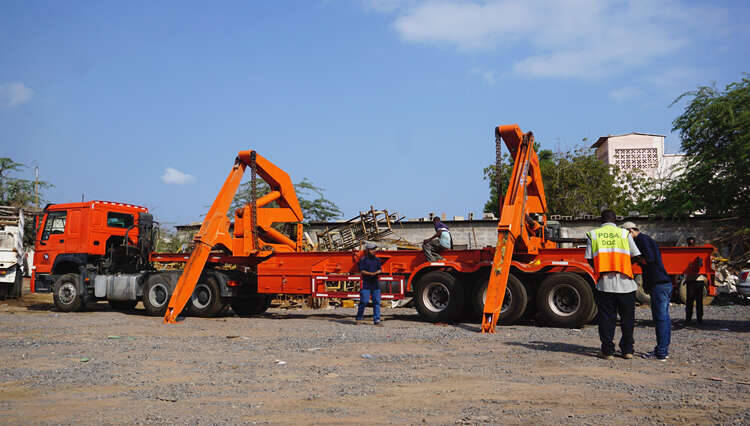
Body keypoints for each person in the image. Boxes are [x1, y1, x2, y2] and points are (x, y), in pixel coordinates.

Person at [585, 210, 641, 360]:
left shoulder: (594, 234)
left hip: (605, 284)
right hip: (626, 284)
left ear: (601, 220)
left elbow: (589, 259)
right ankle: (627, 350)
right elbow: (636, 255)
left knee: (606, 319)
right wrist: (624, 266)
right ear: (616, 220)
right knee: (627, 319)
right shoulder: (624, 234)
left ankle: (608, 351)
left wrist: (601, 268)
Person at [622, 222, 672, 361]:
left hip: (659, 284)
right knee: (664, 319)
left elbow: (649, 259)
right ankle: (662, 350)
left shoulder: (642, 240)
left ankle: (661, 352)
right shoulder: (646, 239)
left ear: (631, 231)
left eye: (627, 235)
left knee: (660, 318)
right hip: (663, 283)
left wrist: (635, 258)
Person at [356, 242, 383, 326]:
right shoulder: (363, 260)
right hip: (366, 284)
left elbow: (380, 269)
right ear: (368, 250)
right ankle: (359, 318)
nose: (374, 251)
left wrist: (377, 272)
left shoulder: (377, 260)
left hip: (375, 284)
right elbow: (362, 270)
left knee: (376, 302)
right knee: (364, 301)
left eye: (374, 249)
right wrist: (370, 274)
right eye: (372, 249)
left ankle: (377, 320)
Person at [684, 236, 705, 325]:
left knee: (695, 300)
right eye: (690, 243)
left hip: (697, 280)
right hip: (692, 280)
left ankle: (697, 319)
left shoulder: (698, 253)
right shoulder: (688, 253)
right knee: (691, 300)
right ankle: (690, 318)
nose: (691, 245)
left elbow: (702, 264)